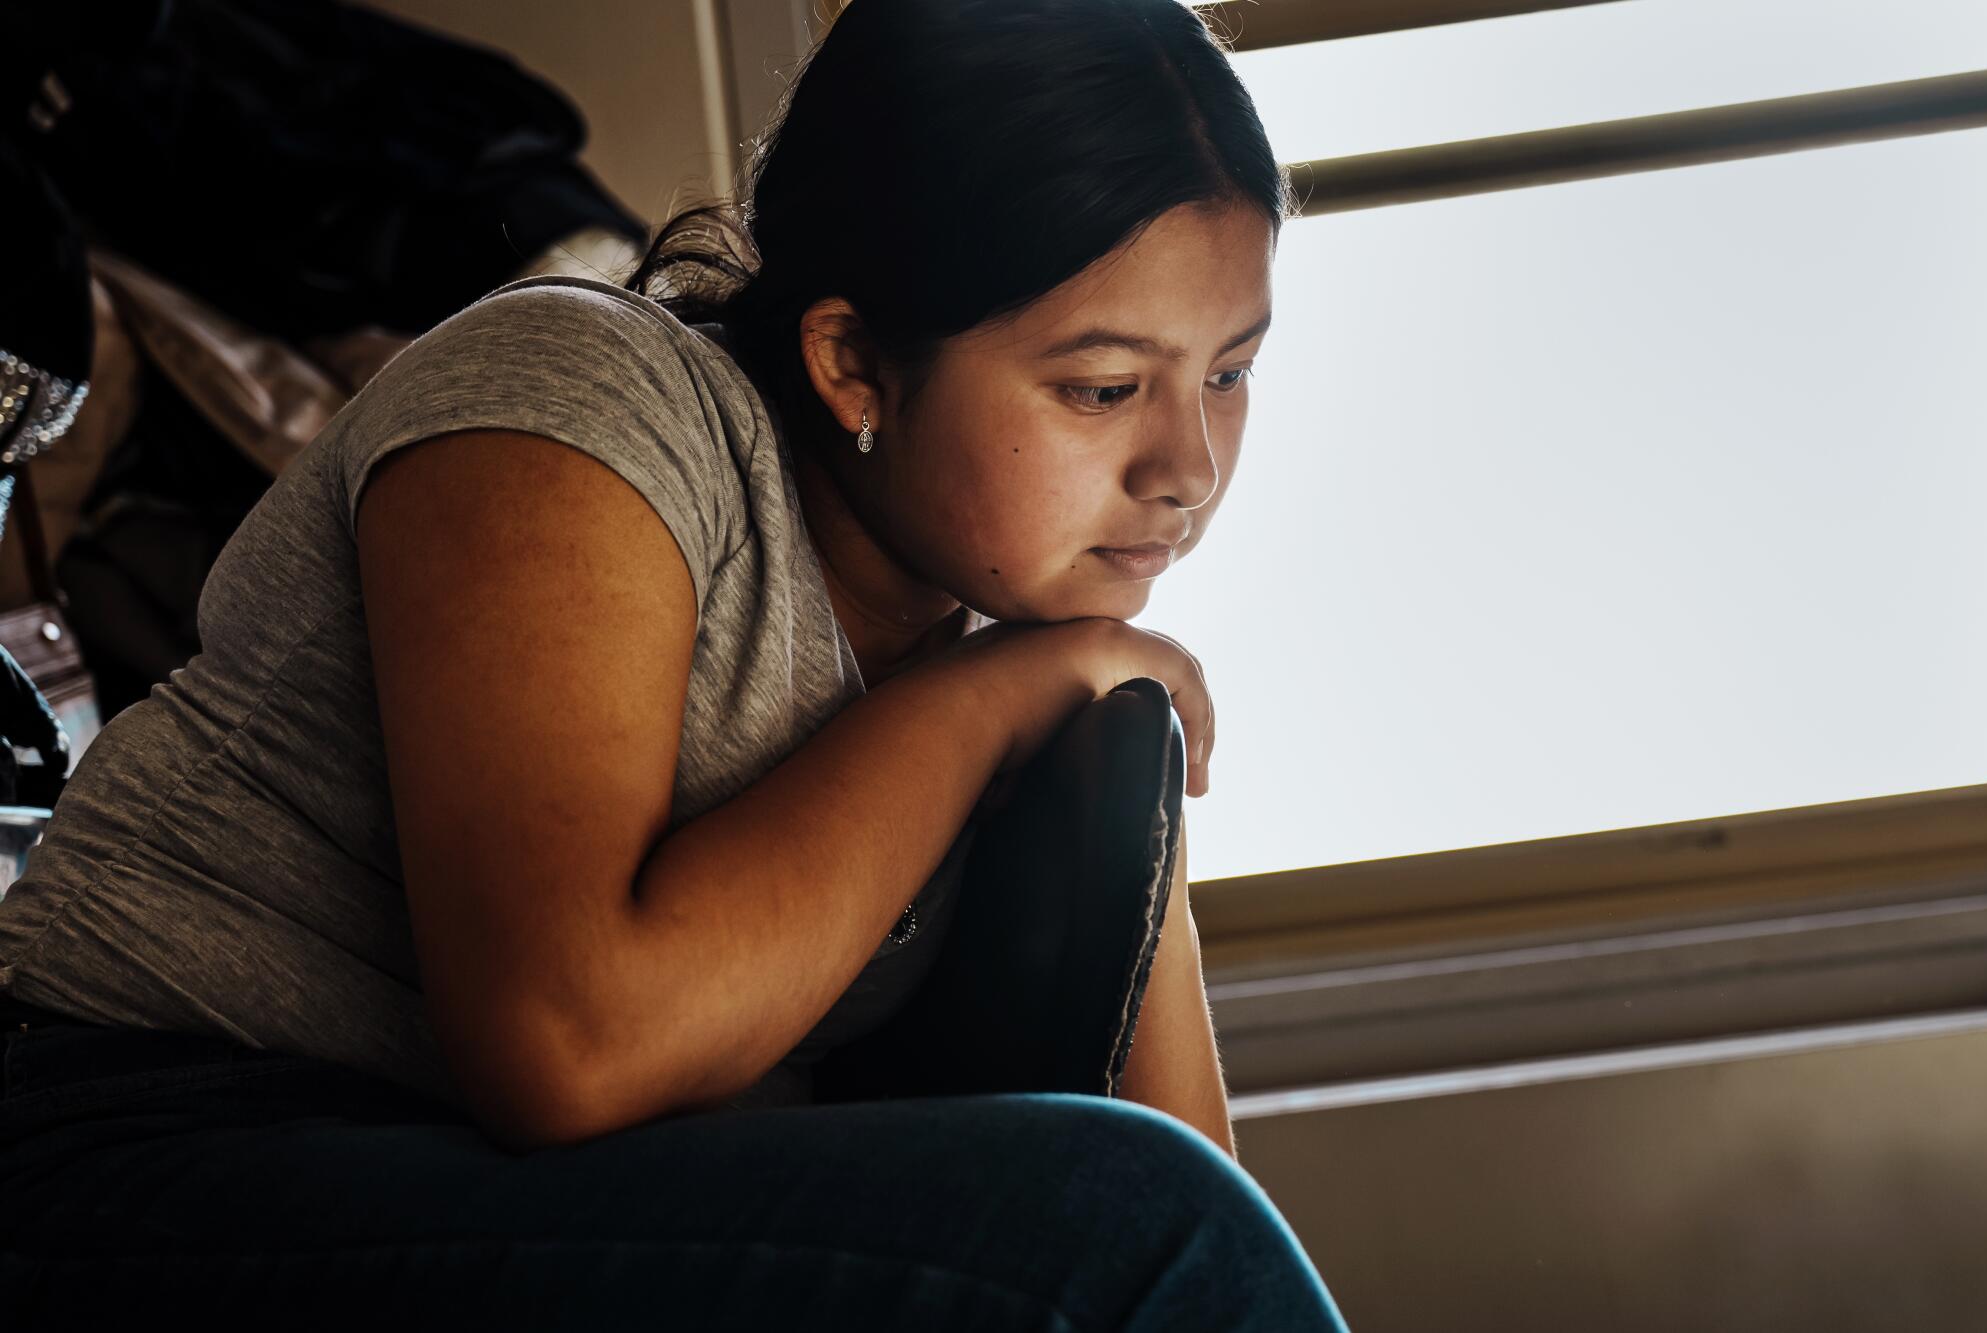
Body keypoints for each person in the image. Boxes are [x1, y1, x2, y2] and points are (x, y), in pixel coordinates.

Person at [0, 0, 1350, 1325]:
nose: (1188, 469)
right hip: (135, 1147)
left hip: (483, 1184)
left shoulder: (1048, 639)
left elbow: (1194, 1192)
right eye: (1105, 388)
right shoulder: (577, 401)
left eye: (1229, 373)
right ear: (853, 363)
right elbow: (567, 1044)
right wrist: (985, 700)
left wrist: (1073, 715)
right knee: (1110, 1224)